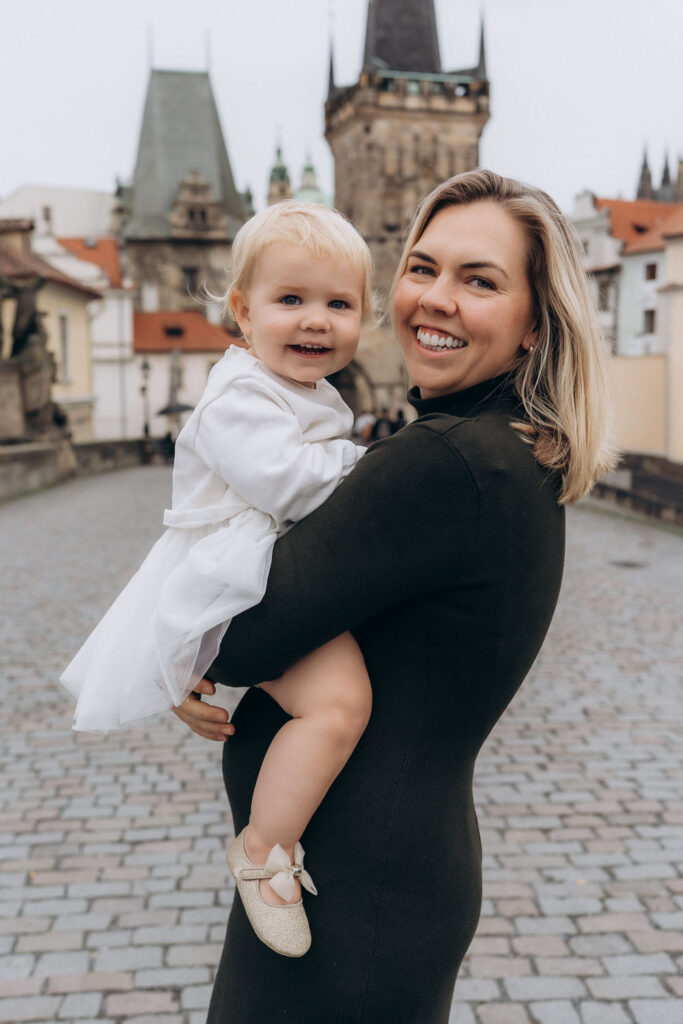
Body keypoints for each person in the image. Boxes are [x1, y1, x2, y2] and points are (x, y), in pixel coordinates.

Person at [173, 169, 616, 1023]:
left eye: (478, 280)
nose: (433, 300)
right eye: (421, 267)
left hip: (349, 898)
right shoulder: (513, 450)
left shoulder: (442, 459)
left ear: (534, 326)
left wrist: (175, 657)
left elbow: (238, 637)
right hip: (378, 879)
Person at [60, 202, 376, 958]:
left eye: (339, 304)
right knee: (337, 707)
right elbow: (291, 486)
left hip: (254, 568)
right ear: (241, 310)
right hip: (238, 574)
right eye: (291, 300)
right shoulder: (239, 394)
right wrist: (372, 461)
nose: (316, 321)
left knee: (334, 704)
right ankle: (266, 853)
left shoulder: (289, 386)